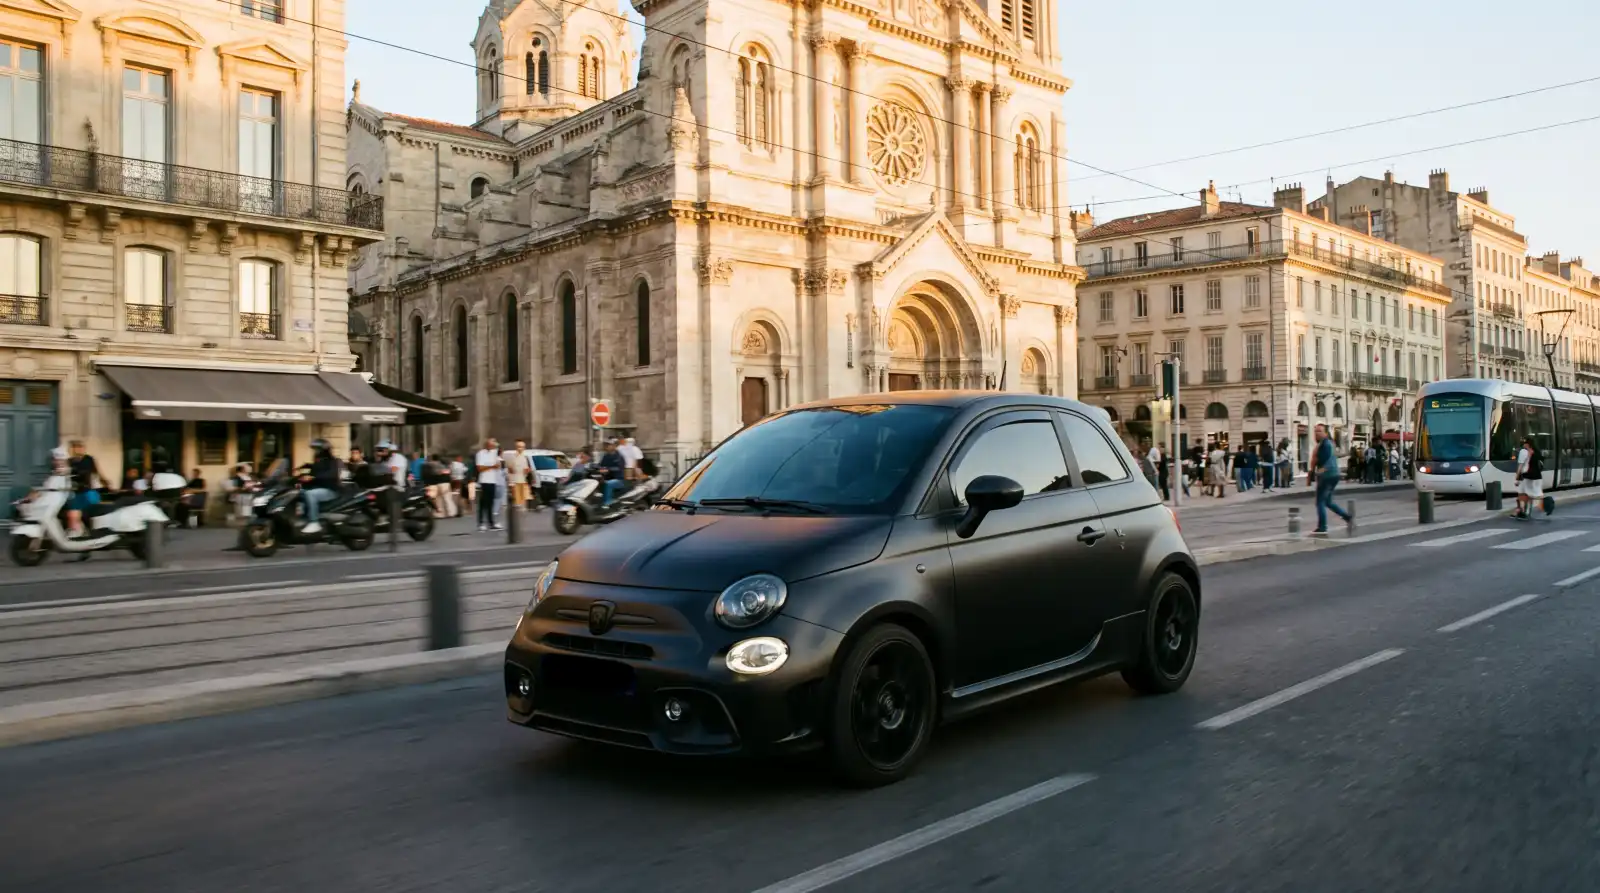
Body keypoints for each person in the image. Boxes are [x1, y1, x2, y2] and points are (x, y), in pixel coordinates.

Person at [1308, 423, 1353, 536]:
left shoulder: (1325, 444)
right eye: (1315, 431)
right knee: (1328, 502)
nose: (1316, 434)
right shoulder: (1328, 443)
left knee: (1320, 503)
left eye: (1319, 431)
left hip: (1327, 475)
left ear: (1325, 433)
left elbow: (1326, 459)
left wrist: (1320, 471)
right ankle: (1347, 516)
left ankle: (1322, 527)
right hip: (1333, 475)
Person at [299, 438, 342, 534]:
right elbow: (311, 474)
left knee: (311, 494)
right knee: (297, 493)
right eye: (314, 449)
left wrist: (313, 478)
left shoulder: (333, 461)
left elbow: (331, 475)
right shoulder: (318, 462)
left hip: (330, 490)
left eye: (317, 449)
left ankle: (314, 522)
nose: (315, 451)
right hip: (318, 488)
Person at [65, 440, 102, 536]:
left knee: (88, 509)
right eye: (75, 447)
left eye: (80, 447)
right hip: (74, 490)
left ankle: (88, 530)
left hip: (87, 489)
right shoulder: (69, 461)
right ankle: (76, 530)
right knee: (72, 509)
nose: (78, 449)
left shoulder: (88, 459)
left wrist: (104, 482)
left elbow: (96, 472)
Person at [1513, 435, 1549, 520]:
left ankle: (1523, 511)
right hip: (1537, 476)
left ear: (1527, 444)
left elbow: (1521, 466)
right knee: (1532, 494)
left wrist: (1517, 478)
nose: (1523, 445)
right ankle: (1526, 511)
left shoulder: (1524, 452)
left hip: (1528, 476)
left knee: (1525, 494)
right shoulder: (1536, 451)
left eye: (1524, 443)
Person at [475, 438, 503, 531]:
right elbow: (479, 468)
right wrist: (492, 466)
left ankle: (491, 522)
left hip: (493, 480)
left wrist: (497, 445)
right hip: (484, 480)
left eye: (493, 444)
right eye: (491, 443)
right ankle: (481, 523)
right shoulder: (480, 454)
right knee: (483, 503)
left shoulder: (494, 453)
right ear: (487, 444)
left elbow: (500, 452)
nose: (493, 445)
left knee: (491, 503)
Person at [503, 440, 531, 511]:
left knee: (523, 499)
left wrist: (527, 470)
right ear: (516, 447)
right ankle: (516, 512)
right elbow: (509, 470)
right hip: (515, 481)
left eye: (522, 447)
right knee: (516, 500)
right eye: (519, 447)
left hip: (522, 480)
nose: (520, 448)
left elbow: (525, 469)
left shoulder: (524, 458)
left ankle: (522, 511)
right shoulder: (512, 457)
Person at [598, 439, 627, 505]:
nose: (606, 447)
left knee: (608, 484)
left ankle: (607, 503)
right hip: (607, 478)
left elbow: (620, 468)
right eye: (605, 445)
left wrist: (608, 469)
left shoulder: (619, 456)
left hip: (619, 479)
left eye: (608, 445)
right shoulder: (605, 456)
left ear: (614, 446)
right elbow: (601, 466)